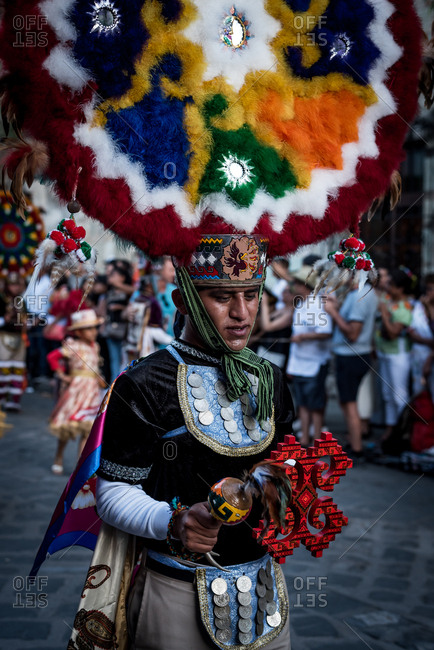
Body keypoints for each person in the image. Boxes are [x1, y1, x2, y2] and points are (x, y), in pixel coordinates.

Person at [88, 234, 294, 650]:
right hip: (176, 594)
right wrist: (175, 522)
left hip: (266, 592)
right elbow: (111, 492)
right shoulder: (143, 383)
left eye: (251, 295)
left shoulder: (270, 379)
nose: (241, 313)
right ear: (182, 300)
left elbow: (283, 465)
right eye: (221, 297)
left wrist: (289, 489)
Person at [325, 280, 378, 459]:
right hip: (353, 355)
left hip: (351, 356)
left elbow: (353, 333)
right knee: (347, 401)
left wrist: (332, 313)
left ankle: (356, 448)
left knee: (350, 403)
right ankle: (354, 442)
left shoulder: (360, 297)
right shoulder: (361, 293)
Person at [48, 309, 105, 475]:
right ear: (78, 331)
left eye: (94, 328)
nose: (93, 332)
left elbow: (94, 366)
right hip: (76, 391)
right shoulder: (72, 345)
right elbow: (52, 357)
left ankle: (79, 466)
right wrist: (61, 375)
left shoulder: (96, 347)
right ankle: (59, 456)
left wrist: (99, 377)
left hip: (92, 391)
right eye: (89, 328)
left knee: (87, 429)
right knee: (68, 427)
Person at [286, 266, 333, 447]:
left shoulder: (317, 304)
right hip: (300, 362)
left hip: (315, 361)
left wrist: (304, 337)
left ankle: (316, 440)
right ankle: (305, 437)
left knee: (315, 404)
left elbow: (326, 332)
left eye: (297, 283)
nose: (294, 286)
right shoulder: (301, 304)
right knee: (303, 403)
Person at [375, 268, 414, 439]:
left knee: (399, 395)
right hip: (384, 352)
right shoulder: (388, 299)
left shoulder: (405, 307)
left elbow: (393, 333)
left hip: (398, 355)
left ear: (400, 289)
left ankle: (403, 432)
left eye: (391, 284)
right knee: (387, 394)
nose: (387, 286)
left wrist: (384, 312)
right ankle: (391, 430)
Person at [0, 273, 27, 411]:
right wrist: (5, 318)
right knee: (3, 370)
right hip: (4, 337)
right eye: (12, 284)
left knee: (18, 370)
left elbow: (26, 319)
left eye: (17, 284)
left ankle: (14, 401)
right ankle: (2, 399)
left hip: (19, 339)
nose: (15, 287)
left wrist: (26, 323)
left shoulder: (21, 301)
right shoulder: (1, 300)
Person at [408, 274, 434, 396]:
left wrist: (429, 307)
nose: (428, 292)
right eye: (427, 289)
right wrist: (427, 341)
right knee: (419, 393)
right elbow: (411, 330)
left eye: (431, 289)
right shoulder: (418, 306)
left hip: (430, 356)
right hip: (419, 353)